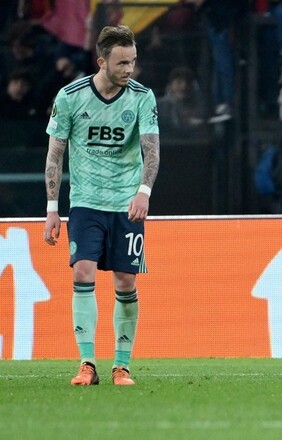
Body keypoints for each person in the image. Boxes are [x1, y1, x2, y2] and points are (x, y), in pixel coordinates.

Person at [43, 25, 160, 386]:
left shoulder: (142, 97)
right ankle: (87, 363)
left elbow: (152, 149)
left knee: (125, 281)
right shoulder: (70, 97)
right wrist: (51, 208)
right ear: (102, 61)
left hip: (127, 204)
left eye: (133, 62)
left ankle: (121, 365)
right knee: (82, 272)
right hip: (86, 203)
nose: (129, 70)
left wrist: (143, 191)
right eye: (122, 63)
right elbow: (55, 154)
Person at [157, 66, 207, 135]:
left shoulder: (201, 107)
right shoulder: (159, 106)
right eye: (179, 82)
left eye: (188, 83)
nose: (184, 86)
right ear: (171, 84)